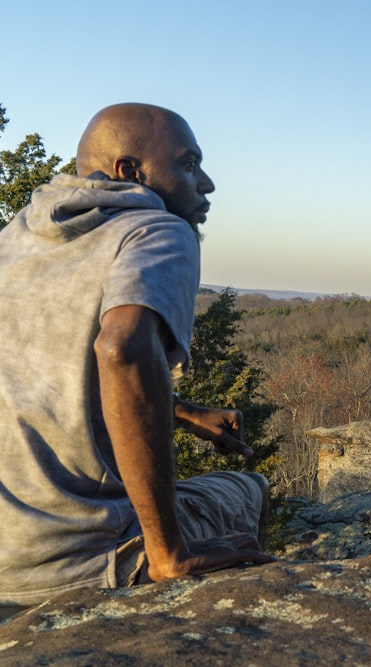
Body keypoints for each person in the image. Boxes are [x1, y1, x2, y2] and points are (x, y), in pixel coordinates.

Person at [0, 103, 275, 608]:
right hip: (83, 558)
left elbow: (44, 371)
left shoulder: (16, 238)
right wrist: (167, 551)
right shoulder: (159, 229)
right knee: (248, 486)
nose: (207, 183)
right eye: (190, 164)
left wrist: (182, 411)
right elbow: (122, 349)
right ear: (131, 172)